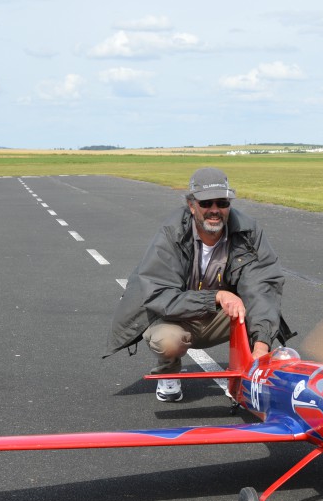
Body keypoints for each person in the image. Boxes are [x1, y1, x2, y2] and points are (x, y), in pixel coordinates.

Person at [104, 167, 293, 402]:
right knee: (168, 341)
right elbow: (159, 295)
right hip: (174, 316)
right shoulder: (172, 234)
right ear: (192, 205)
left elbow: (262, 286)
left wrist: (262, 345)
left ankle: (245, 373)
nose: (214, 210)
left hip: (218, 316)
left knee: (256, 311)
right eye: (206, 203)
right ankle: (168, 372)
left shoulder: (247, 232)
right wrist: (216, 297)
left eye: (222, 203)